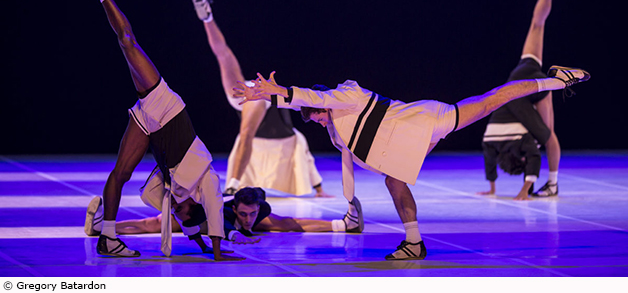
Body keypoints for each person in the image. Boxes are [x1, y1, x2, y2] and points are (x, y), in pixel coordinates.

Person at [233, 63, 589, 259]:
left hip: (424, 122)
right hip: (406, 144)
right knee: (394, 180)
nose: (320, 121)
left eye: (318, 116)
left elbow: (314, 98)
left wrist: (280, 93)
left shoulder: (346, 93)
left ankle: (553, 81)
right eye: (315, 119)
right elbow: (345, 160)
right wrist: (350, 205)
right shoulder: (337, 130)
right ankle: (414, 243)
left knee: (488, 101)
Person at [74, 0, 242, 261]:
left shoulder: (173, 194)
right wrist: (217, 252)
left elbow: (185, 222)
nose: (174, 209)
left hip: (148, 123)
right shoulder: (206, 181)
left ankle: (107, 237)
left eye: (175, 213)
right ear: (194, 205)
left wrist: (199, 242)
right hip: (165, 105)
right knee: (127, 41)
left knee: (121, 174)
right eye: (181, 211)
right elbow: (215, 210)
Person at [190, 0, 330, 197]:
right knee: (224, 58)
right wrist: (319, 189)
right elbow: (305, 156)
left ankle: (208, 18)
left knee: (224, 56)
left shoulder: (295, 139)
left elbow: (304, 155)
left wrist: (319, 189)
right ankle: (232, 185)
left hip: (253, 97)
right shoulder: (295, 137)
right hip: (258, 96)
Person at [479, 0, 567, 200]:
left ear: (518, 157)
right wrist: (492, 187)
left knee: (548, 138)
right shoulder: (490, 141)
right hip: (519, 76)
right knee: (536, 24)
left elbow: (534, 155)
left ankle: (552, 183)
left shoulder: (522, 144)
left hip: (527, 91)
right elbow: (488, 156)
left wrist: (524, 190)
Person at [85, 187, 354, 243]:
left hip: (217, 219)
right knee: (153, 224)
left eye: (252, 214)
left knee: (285, 224)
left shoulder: (259, 212)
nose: (248, 219)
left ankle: (344, 224)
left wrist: (340, 225)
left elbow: (294, 223)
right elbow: (223, 227)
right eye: (244, 214)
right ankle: (102, 227)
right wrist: (238, 236)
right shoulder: (227, 212)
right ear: (235, 209)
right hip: (199, 219)